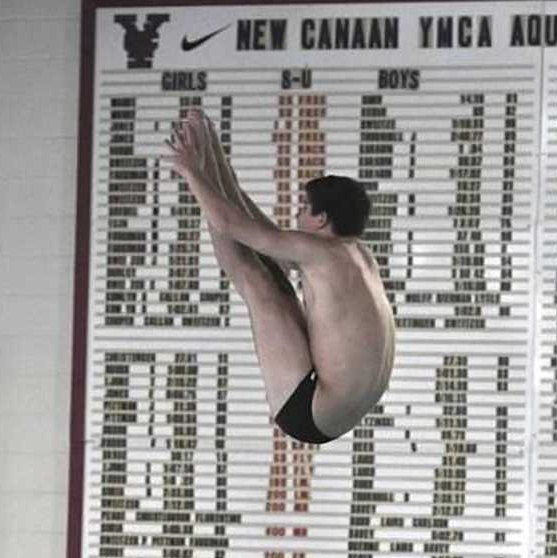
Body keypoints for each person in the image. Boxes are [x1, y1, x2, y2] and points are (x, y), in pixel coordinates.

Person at [165, 110, 395, 443]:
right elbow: (258, 231)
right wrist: (213, 157)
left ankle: (204, 158)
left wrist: (190, 169)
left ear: (321, 219)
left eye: (303, 208)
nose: (297, 213)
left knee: (256, 281)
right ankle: (208, 154)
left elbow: (230, 225)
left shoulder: (320, 253)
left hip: (307, 411)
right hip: (338, 410)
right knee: (270, 272)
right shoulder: (357, 255)